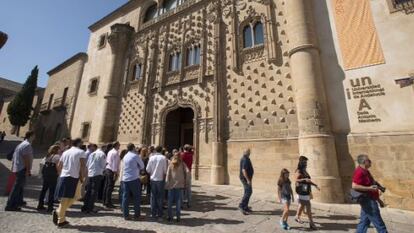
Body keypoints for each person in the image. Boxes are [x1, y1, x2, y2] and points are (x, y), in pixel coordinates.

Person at [53, 138, 86, 228]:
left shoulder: (66, 152)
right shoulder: (81, 152)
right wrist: (82, 177)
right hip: (73, 177)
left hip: (64, 176)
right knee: (72, 197)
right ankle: (60, 217)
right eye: (82, 143)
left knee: (68, 197)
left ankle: (60, 214)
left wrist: (60, 174)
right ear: (79, 143)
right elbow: (82, 165)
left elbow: (59, 165)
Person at [352, 154, 388, 233]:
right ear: (365, 162)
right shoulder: (359, 172)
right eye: (369, 160)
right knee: (379, 224)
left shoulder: (366, 171)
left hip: (369, 199)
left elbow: (372, 185)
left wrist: (379, 200)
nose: (370, 161)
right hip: (367, 200)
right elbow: (354, 186)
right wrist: (369, 188)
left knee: (364, 222)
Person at [5, 131, 34, 211]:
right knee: (16, 188)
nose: (34, 137)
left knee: (20, 187)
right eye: (34, 136)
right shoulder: (27, 145)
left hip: (18, 168)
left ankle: (17, 202)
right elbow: (26, 159)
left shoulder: (21, 144)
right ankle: (10, 205)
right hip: (21, 168)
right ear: (31, 136)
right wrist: (28, 170)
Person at [294, 156, 319, 230]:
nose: (306, 163)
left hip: (306, 191)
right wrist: (304, 179)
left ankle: (297, 217)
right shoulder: (298, 170)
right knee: (308, 206)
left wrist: (315, 185)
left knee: (301, 205)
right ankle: (311, 223)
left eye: (306, 162)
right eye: (304, 162)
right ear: (301, 162)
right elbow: (296, 180)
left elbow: (308, 180)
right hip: (302, 192)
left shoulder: (304, 170)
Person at [121, 143, 145, 220]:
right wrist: (137, 167)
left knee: (125, 197)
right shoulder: (135, 156)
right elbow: (142, 166)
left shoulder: (125, 156)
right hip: (134, 178)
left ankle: (126, 215)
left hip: (125, 179)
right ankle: (137, 215)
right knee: (137, 197)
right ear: (133, 148)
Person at [82, 144, 105, 214]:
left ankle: (85, 206)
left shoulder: (92, 154)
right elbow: (103, 165)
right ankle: (90, 208)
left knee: (88, 190)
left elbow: (88, 164)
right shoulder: (102, 154)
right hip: (97, 174)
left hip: (90, 173)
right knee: (94, 192)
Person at [146, 145, 168, 219]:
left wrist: (152, 173)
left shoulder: (151, 158)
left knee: (153, 196)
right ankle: (160, 214)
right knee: (160, 196)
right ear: (161, 150)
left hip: (153, 179)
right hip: (160, 179)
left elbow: (148, 169)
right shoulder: (163, 158)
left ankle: (153, 213)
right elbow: (165, 170)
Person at [165, 153, 188, 222]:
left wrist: (167, 183)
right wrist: (185, 180)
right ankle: (178, 217)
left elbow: (167, 174)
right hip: (179, 185)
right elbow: (188, 171)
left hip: (171, 185)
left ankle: (169, 216)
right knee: (178, 202)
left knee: (170, 201)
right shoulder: (182, 164)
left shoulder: (171, 164)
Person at [37, 144, 61, 212]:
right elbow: (57, 166)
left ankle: (40, 205)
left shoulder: (47, 156)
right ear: (57, 150)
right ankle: (50, 207)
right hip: (53, 176)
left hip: (46, 175)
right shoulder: (57, 156)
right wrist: (59, 173)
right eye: (59, 149)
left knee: (44, 190)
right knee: (51, 191)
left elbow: (42, 164)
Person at [103, 141, 120, 208]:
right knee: (110, 187)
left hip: (107, 169)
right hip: (111, 171)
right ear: (116, 145)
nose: (119, 146)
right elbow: (114, 164)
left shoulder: (110, 152)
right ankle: (108, 202)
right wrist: (115, 173)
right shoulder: (115, 153)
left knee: (106, 186)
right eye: (119, 145)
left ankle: (105, 201)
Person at [239, 148, 254, 215]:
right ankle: (241, 206)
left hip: (246, 178)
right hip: (245, 179)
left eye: (249, 152)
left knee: (247, 192)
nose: (249, 153)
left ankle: (245, 207)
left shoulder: (246, 158)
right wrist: (248, 180)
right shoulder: (245, 159)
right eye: (248, 152)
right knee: (249, 192)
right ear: (245, 152)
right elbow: (244, 170)